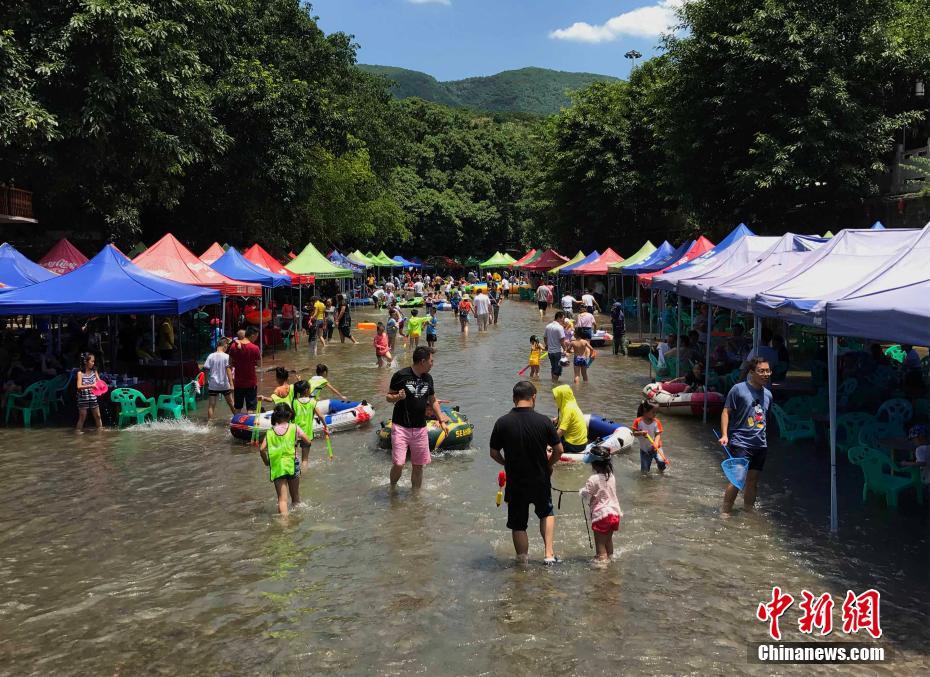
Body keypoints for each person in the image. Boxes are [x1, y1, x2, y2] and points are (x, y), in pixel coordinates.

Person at [489, 381, 564, 564]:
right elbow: (559, 450)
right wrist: (548, 465)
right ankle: (548, 555)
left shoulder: (502, 422)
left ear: (514, 398)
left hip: (516, 480)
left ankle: (522, 560)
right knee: (546, 513)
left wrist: (507, 463)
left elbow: (493, 452)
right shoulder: (544, 421)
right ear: (534, 397)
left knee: (518, 524)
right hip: (540, 478)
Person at [386, 346, 448, 490]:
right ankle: (392, 488)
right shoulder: (401, 375)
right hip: (401, 426)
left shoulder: (428, 378)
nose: (433, 363)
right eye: (431, 361)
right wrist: (397, 397)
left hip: (420, 428)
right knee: (399, 463)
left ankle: (415, 498)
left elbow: (432, 400)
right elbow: (388, 397)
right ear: (422, 361)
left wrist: (442, 421)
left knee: (418, 466)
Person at [719, 356, 773, 514]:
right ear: (752, 372)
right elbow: (726, 411)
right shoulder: (738, 389)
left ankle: (748, 512)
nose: (765, 374)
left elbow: (765, 418)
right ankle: (725, 512)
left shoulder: (768, 394)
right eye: (761, 371)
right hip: (741, 442)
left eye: (768, 371)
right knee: (737, 480)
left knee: (753, 481)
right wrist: (724, 435)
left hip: (760, 444)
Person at [258, 403, 311, 516]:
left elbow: (262, 449)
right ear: (289, 415)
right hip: (292, 464)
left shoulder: (270, 432)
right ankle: (297, 520)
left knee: (282, 499)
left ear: (275, 416)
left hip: (277, 466)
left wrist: (266, 462)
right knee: (295, 497)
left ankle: (284, 523)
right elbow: (308, 441)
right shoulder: (294, 427)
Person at [579, 447, 622, 562]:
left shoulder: (593, 479)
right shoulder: (611, 477)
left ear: (594, 464)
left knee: (600, 545)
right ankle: (611, 559)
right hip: (614, 514)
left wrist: (581, 491)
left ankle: (602, 571)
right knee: (608, 541)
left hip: (601, 515)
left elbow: (586, 495)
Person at [292, 379, 329, 470]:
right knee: (305, 460)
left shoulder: (294, 402)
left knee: (294, 458)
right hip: (307, 434)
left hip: (294, 433)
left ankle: (295, 475)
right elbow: (320, 416)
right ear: (306, 390)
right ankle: (304, 475)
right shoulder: (312, 402)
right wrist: (325, 426)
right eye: (309, 389)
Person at [229, 326, 260, 413]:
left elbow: (230, 363)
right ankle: (249, 426)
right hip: (251, 382)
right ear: (253, 335)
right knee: (250, 408)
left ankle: (236, 425)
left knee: (238, 407)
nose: (256, 339)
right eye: (256, 336)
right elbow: (259, 364)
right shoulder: (255, 348)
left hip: (238, 382)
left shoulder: (233, 346)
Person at [204, 337, 235, 422]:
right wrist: (232, 384)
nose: (227, 348)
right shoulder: (226, 356)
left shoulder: (210, 356)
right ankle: (238, 419)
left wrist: (206, 381)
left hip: (213, 384)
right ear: (224, 345)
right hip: (224, 384)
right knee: (231, 404)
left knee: (211, 405)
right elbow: (228, 371)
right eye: (227, 346)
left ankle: (209, 423)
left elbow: (206, 369)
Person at [552, 384, 588, 455]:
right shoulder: (571, 403)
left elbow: (562, 430)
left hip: (574, 445)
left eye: (556, 396)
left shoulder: (568, 409)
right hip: (582, 443)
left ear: (562, 396)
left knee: (550, 436)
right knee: (553, 427)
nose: (554, 398)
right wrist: (557, 420)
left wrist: (549, 443)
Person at [633, 400, 666, 474]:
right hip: (645, 450)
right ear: (645, 410)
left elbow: (658, 434)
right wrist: (641, 433)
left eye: (656, 412)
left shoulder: (656, 422)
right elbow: (634, 433)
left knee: (661, 462)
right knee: (645, 471)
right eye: (653, 412)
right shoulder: (638, 421)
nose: (655, 414)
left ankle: (661, 472)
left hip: (656, 447)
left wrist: (656, 443)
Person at [75, 352, 103, 432]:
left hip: (93, 396)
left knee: (98, 416)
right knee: (82, 417)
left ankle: (100, 431)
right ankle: (78, 433)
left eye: (94, 361)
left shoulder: (94, 371)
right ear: (85, 362)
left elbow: (99, 382)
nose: (93, 363)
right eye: (92, 361)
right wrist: (92, 385)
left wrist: (101, 387)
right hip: (83, 397)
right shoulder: (80, 373)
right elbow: (79, 386)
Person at [544, 312, 567, 382]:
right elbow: (562, 341)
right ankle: (554, 384)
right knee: (557, 370)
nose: (564, 320)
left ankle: (552, 381)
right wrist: (566, 350)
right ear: (559, 318)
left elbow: (545, 338)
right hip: (558, 352)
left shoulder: (548, 326)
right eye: (563, 318)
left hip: (550, 352)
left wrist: (547, 346)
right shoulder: (560, 328)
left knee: (553, 368)